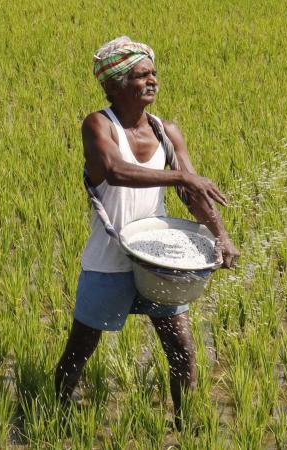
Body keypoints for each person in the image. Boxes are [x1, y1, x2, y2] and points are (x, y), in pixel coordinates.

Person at [54, 36, 240, 428]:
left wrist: (221, 235)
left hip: (158, 258)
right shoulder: (97, 125)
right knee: (80, 349)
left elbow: (192, 194)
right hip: (109, 259)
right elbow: (116, 171)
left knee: (182, 350)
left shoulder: (167, 131)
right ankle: (54, 414)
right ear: (113, 85)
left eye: (154, 72)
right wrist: (181, 175)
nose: (152, 80)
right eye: (141, 75)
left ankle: (187, 429)